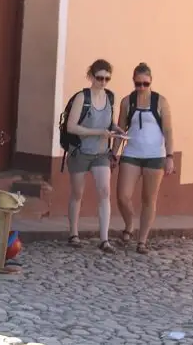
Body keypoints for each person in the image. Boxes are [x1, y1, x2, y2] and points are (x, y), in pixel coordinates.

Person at [113, 62, 174, 255]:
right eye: (138, 83)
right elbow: (121, 130)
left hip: (155, 155)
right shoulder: (127, 102)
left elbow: (168, 130)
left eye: (145, 84)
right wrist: (114, 153)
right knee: (123, 196)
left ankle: (142, 240)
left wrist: (170, 156)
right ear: (133, 81)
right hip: (132, 152)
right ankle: (130, 224)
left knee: (149, 199)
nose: (141, 88)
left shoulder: (160, 101)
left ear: (151, 82)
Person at [64, 59, 124, 253]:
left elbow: (109, 123)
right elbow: (71, 127)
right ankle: (73, 233)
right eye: (99, 78)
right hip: (80, 151)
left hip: (101, 153)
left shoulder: (110, 98)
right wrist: (98, 132)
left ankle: (104, 239)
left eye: (107, 78)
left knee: (105, 191)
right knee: (77, 193)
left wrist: (116, 130)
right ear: (91, 76)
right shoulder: (83, 97)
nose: (103, 82)